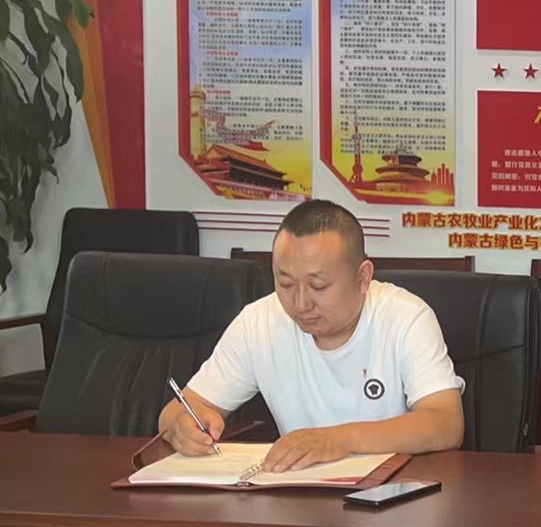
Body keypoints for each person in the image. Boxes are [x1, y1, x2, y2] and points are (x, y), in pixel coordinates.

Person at [158, 200, 465, 470]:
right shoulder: (259, 322)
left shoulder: (405, 317)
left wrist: (339, 440)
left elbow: (446, 423)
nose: (301, 303)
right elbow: (177, 411)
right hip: (297, 497)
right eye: (286, 283)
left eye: (319, 286)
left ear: (362, 277)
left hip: (391, 495)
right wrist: (182, 427)